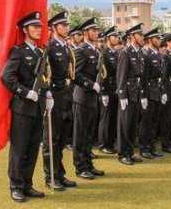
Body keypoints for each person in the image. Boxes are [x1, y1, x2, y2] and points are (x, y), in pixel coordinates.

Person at [2, 11, 48, 203]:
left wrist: (48, 93)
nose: (39, 29)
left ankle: (27, 184)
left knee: (32, 148)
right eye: (34, 27)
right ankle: (16, 186)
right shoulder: (18, 51)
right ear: (25, 30)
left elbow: (45, 78)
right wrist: (24, 91)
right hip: (22, 108)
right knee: (19, 148)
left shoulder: (40, 51)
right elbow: (6, 77)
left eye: (40, 26)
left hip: (38, 108)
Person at [42, 11, 77, 190]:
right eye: (62, 25)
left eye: (67, 25)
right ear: (54, 28)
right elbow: (44, 72)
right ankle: (50, 177)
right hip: (54, 96)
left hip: (66, 95)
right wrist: (47, 93)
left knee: (62, 139)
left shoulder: (65, 46)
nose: (66, 28)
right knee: (51, 139)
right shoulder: (49, 46)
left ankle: (60, 174)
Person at [72, 17, 105, 179]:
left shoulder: (95, 50)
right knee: (80, 133)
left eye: (97, 30)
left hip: (93, 97)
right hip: (83, 96)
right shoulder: (81, 50)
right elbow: (74, 74)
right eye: (93, 30)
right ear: (85, 33)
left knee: (89, 133)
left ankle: (88, 164)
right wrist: (90, 84)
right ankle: (80, 167)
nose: (96, 33)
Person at [116, 23, 145, 165]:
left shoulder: (138, 52)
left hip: (136, 92)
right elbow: (121, 75)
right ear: (132, 36)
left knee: (133, 124)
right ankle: (123, 154)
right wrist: (122, 95)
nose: (142, 37)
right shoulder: (125, 52)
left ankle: (130, 152)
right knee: (124, 125)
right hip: (127, 93)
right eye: (139, 35)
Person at [138, 27, 166, 159]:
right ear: (150, 39)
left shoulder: (157, 54)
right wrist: (143, 95)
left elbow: (161, 75)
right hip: (149, 91)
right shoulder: (145, 54)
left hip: (156, 90)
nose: (159, 40)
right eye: (157, 38)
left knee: (154, 121)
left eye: (160, 38)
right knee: (146, 122)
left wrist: (162, 91)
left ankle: (152, 146)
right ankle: (144, 148)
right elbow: (143, 77)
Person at [98, 26, 120, 155]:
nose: (117, 39)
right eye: (114, 36)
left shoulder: (115, 53)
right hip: (107, 89)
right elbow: (102, 74)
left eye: (117, 37)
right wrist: (104, 92)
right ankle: (103, 144)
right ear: (108, 38)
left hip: (115, 88)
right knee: (105, 118)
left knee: (113, 117)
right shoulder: (104, 53)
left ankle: (110, 143)